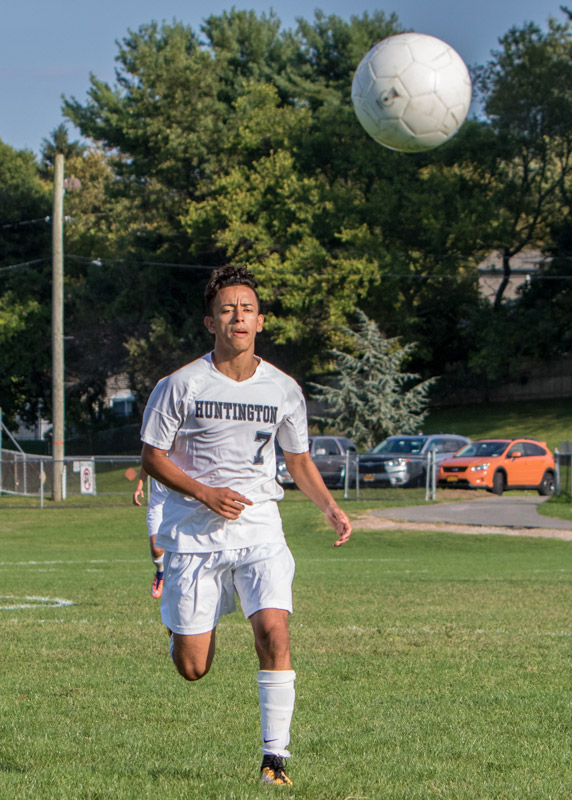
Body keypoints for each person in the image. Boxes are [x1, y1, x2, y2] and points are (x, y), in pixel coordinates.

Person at [140, 265, 352, 786]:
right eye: (227, 309)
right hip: (194, 534)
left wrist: (328, 506)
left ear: (260, 321)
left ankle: (274, 760)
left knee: (275, 632)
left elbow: (298, 460)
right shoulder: (180, 385)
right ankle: (181, 621)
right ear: (210, 322)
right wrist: (205, 492)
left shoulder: (283, 388)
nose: (239, 316)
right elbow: (152, 457)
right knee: (193, 668)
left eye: (248, 308)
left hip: (260, 529)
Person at [132, 468, 167, 598]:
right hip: (157, 504)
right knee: (156, 549)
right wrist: (139, 487)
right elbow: (147, 463)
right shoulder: (156, 447)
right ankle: (160, 572)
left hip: (179, 503)